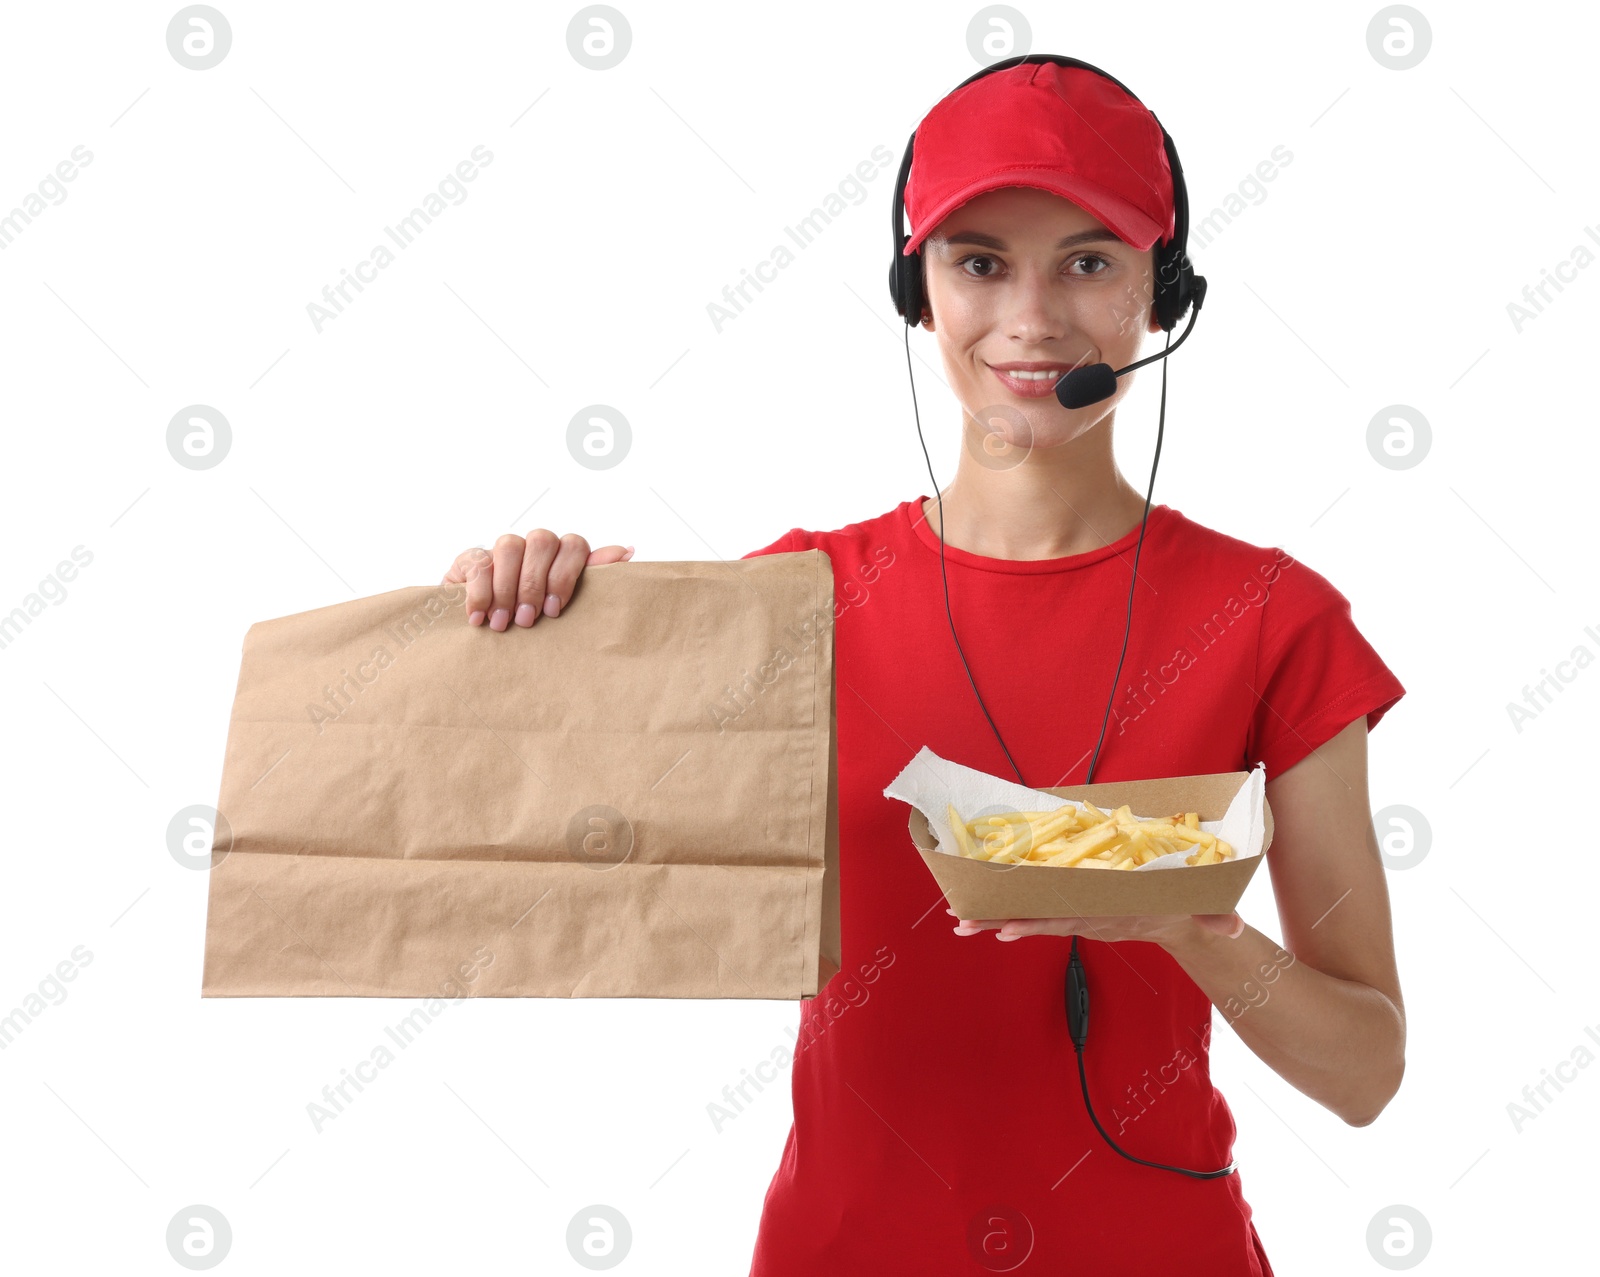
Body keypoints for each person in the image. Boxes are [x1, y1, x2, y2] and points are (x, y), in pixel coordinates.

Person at [442, 57, 1405, 1277]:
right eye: (980, 260)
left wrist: (1187, 921)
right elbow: (555, 860)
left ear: (1161, 295)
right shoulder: (791, 598)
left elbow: (1366, 1071)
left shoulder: (1275, 618)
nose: (1034, 318)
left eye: (1090, 260)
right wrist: (527, 619)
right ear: (917, 289)